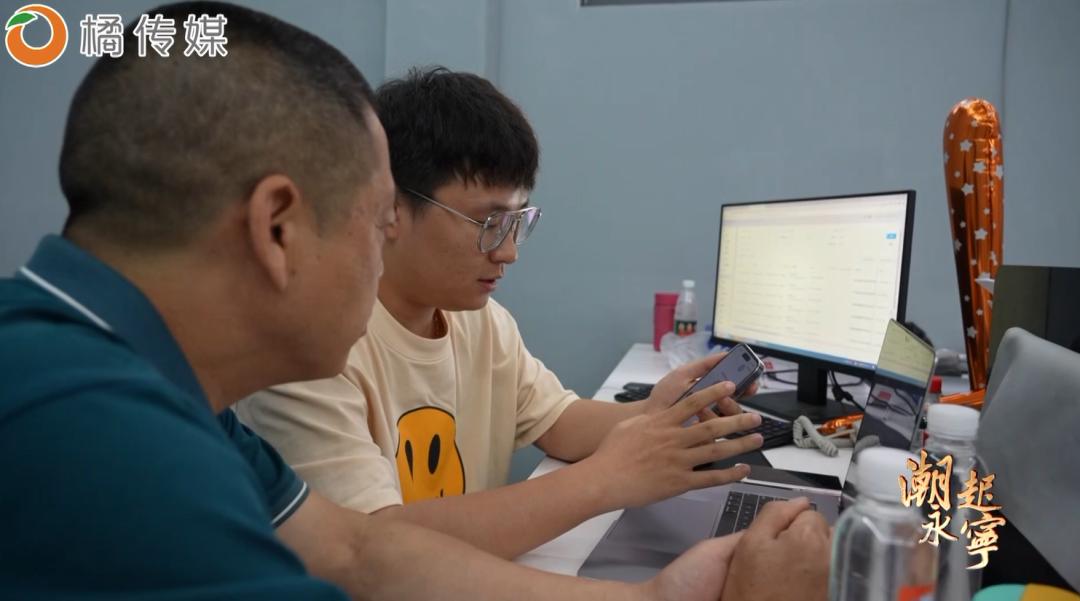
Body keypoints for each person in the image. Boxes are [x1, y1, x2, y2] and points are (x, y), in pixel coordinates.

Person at [0, 2, 829, 600]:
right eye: (373, 222)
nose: (381, 250)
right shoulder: (99, 435)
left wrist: (658, 595)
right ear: (278, 227)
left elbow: (358, 552)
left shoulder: (165, 392)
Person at [236, 67, 765, 559]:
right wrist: (605, 479)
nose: (509, 252)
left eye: (517, 222)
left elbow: (559, 422)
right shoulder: (312, 351)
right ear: (390, 207)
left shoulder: (481, 320)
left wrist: (658, 411)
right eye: (489, 223)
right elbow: (373, 551)